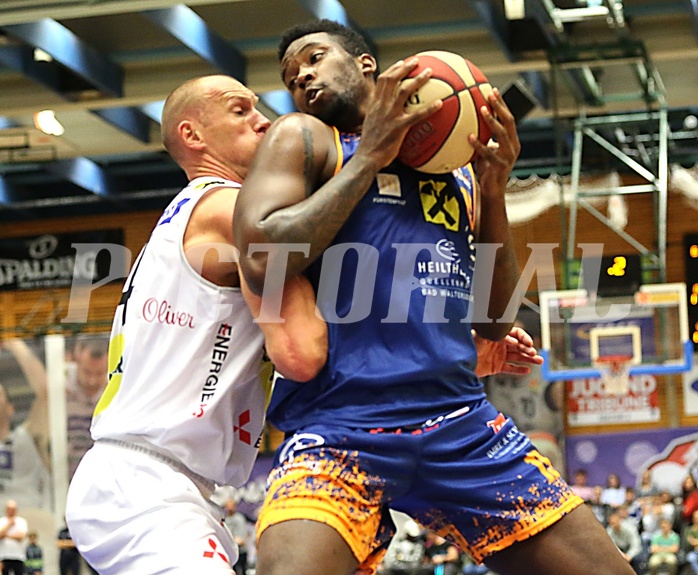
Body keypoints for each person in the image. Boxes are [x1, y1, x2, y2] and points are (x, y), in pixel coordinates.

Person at [63, 72, 542, 575]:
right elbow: (303, 353)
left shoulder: (192, 213)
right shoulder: (230, 213)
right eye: (240, 110)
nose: (263, 119)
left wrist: (457, 343)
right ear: (193, 135)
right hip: (144, 483)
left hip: (153, 481)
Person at [233, 18, 634, 575]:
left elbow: (492, 321)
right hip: (341, 428)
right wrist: (369, 156)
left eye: (315, 57)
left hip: (457, 421)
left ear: (365, 64)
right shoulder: (305, 138)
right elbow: (259, 256)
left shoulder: (455, 173)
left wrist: (493, 192)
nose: (301, 75)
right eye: (291, 74)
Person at [0, 340, 51, 511]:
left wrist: (14, 342)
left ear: (10, 409)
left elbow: (46, 394)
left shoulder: (26, 437)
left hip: (29, 525)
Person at [64, 334, 109, 480]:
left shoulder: (117, 390)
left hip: (104, 474)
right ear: (76, 357)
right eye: (87, 371)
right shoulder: (60, 383)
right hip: (64, 474)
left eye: (100, 373)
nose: (92, 381)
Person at [0, 500, 27, 575]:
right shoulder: (1, 521)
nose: (11, 511)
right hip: (4, 556)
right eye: (9, 509)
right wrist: (9, 525)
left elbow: (21, 536)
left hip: (18, 556)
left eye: (13, 509)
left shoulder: (21, 521)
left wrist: (6, 535)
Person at [685, 509, 698, 575]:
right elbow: (689, 542)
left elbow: (693, 541)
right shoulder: (689, 530)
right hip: (693, 552)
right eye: (696, 518)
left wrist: (694, 541)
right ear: (693, 519)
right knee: (691, 558)